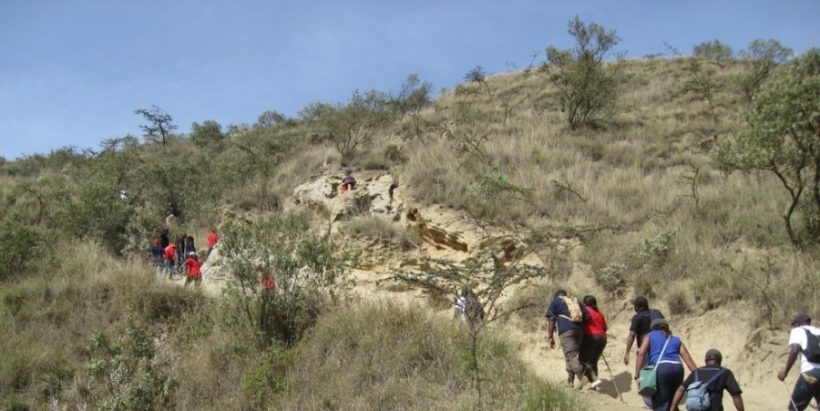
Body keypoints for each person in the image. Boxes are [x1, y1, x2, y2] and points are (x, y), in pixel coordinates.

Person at [634, 318, 698, 411]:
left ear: (653, 328)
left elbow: (641, 354)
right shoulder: (676, 339)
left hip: (661, 369)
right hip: (678, 368)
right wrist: (698, 374)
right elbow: (687, 358)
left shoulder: (650, 336)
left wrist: (637, 374)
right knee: (673, 402)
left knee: (661, 404)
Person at [670, 348, 745, 411]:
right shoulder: (725, 372)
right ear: (719, 361)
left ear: (706, 361)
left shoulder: (696, 372)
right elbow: (736, 395)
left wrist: (672, 408)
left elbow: (681, 389)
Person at [546, 288, 589, 388]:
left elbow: (551, 319)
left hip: (566, 331)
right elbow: (587, 316)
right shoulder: (576, 301)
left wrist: (550, 336)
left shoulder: (555, 302)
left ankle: (582, 377)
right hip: (579, 331)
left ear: (557, 296)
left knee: (570, 355)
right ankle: (570, 381)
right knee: (570, 355)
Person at [777, 313, 820, 411]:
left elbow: (795, 350)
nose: (793, 327)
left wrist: (785, 373)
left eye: (794, 325)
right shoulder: (818, 331)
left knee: (794, 409)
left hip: (809, 375)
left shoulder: (798, 331)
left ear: (798, 323)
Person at [624, 296, 665, 365]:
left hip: (646, 350)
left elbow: (632, 335)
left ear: (637, 307)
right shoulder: (657, 312)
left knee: (647, 372)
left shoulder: (637, 317)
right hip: (662, 347)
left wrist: (627, 353)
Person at [579, 295, 607, 389]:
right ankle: (594, 385)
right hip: (602, 338)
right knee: (593, 361)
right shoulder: (600, 313)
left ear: (586, 303)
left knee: (583, 359)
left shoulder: (585, 310)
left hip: (591, 336)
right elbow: (605, 328)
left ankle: (593, 379)